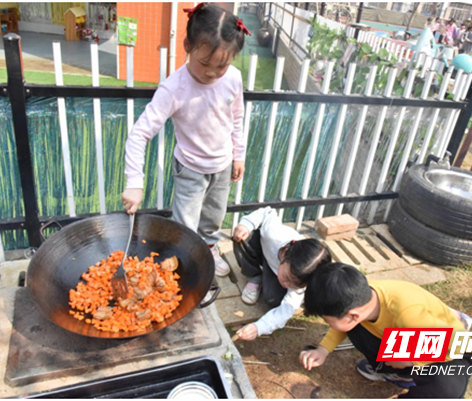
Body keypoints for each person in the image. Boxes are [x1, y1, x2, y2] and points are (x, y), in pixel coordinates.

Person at [121, 3, 251, 277]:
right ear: (187, 46)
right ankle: (185, 264)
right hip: (190, 167)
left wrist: (239, 154)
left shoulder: (234, 79)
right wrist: (134, 183)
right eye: (205, 63)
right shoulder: (174, 88)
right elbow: (139, 134)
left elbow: (236, 117)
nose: (212, 73)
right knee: (185, 224)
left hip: (223, 164)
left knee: (214, 218)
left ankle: (210, 249)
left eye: (222, 66)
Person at [299, 263, 472, 398]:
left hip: (453, 349)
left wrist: (411, 361)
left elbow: (460, 344)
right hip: (404, 339)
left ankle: (407, 375)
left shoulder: (408, 315)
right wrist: (323, 349)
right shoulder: (360, 299)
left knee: (446, 389)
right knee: (355, 329)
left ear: (353, 315)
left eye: (327, 320)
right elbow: (344, 323)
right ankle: (393, 371)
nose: (327, 324)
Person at [231, 207, 331, 340]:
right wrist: (246, 224)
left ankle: (271, 280)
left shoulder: (303, 279)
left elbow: (284, 312)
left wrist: (258, 327)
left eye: (295, 285)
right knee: (243, 236)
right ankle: (255, 277)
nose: (286, 284)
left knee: (273, 300)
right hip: (267, 253)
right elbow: (267, 212)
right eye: (287, 278)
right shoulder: (275, 234)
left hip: (276, 268)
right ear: (285, 253)